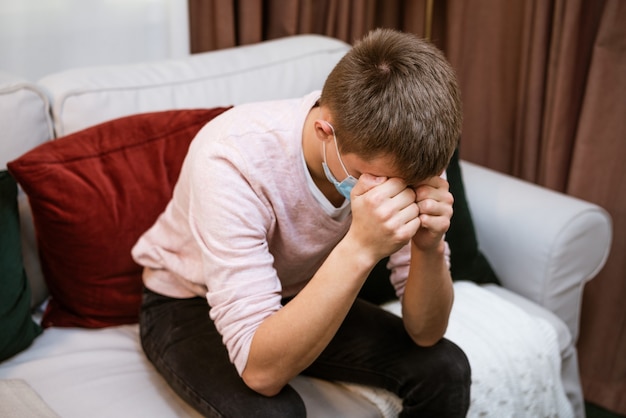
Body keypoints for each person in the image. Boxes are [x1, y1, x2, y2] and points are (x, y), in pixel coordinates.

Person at [132, 28, 471, 417]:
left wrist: (428, 247)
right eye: (376, 179)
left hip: (298, 287)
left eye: (410, 184)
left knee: (446, 369)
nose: (397, 194)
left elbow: (426, 333)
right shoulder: (231, 159)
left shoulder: (409, 152)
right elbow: (261, 374)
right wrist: (360, 247)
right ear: (324, 131)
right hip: (187, 297)